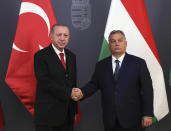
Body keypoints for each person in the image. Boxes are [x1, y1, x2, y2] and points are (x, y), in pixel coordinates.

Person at [72, 30, 153, 131]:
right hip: (110, 120)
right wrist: (81, 92)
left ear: (125, 43)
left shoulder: (138, 63)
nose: (117, 43)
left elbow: (147, 90)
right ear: (109, 44)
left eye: (120, 40)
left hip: (133, 119)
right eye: (113, 41)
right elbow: (94, 84)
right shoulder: (101, 65)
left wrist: (148, 114)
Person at [34, 24, 82, 131]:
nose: (62, 38)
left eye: (66, 35)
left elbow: (72, 83)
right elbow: (45, 83)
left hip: (67, 115)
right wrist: (69, 92)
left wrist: (74, 111)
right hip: (47, 116)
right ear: (51, 36)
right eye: (59, 35)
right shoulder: (40, 56)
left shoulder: (71, 56)